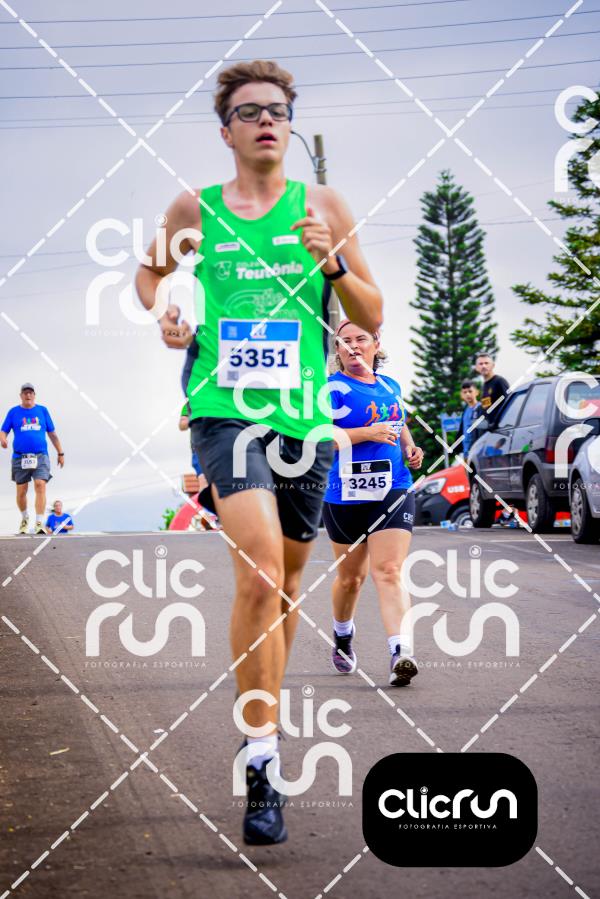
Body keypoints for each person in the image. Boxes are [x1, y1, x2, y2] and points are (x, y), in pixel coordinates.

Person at [135, 60, 382, 845]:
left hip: (304, 422)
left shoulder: (324, 206)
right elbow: (149, 273)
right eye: (250, 111)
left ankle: (259, 723)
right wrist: (168, 311)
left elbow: (373, 311)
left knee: (288, 588)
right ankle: (264, 762)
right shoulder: (196, 208)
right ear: (227, 131)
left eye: (278, 109)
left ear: (290, 124)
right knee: (262, 572)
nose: (267, 120)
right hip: (224, 413)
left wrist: (332, 263)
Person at [322, 320, 424, 687]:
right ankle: (343, 634)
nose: (353, 346)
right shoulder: (331, 389)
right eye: (345, 341)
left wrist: (409, 447)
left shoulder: (390, 385)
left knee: (390, 570)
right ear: (338, 350)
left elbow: (398, 421)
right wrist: (367, 433)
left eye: (360, 339)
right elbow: (319, 437)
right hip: (344, 493)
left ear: (375, 344)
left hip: (393, 487)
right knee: (351, 579)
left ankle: (401, 652)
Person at [0, 384, 64, 535]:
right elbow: (3, 430)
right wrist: (3, 439)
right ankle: (24, 518)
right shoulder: (14, 412)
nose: (28, 395)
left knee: (40, 485)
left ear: (34, 395)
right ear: (21, 396)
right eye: (25, 393)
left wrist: (60, 453)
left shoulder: (42, 411)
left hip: (40, 456)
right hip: (20, 457)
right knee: (21, 491)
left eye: (30, 393)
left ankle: (39, 523)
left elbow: (52, 434)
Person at [474, 353, 509, 425]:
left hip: (501, 426)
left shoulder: (499, 381)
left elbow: (509, 404)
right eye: (480, 364)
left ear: (493, 365)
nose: (484, 366)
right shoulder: (484, 386)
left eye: (486, 363)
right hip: (488, 427)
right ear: (476, 368)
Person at [457, 379, 480, 456]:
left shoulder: (481, 408)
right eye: (465, 392)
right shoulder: (465, 412)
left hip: (478, 451)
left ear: (476, 392)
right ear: (461, 395)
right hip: (466, 452)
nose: (467, 394)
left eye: (470, 391)